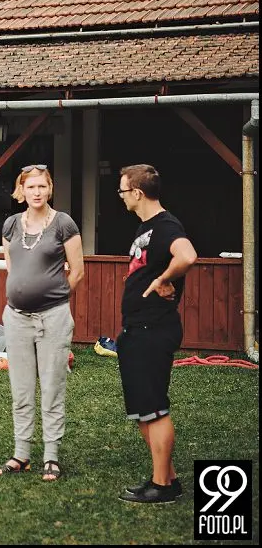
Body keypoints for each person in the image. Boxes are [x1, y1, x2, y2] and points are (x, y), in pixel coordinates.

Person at [0, 165, 84, 481]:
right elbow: (12, 266)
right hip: (16, 318)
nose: (37, 192)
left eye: (42, 187)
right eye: (31, 187)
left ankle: (51, 456)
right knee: (21, 389)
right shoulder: (10, 225)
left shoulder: (63, 223)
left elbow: (78, 271)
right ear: (21, 190)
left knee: (51, 387)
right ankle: (21, 454)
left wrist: (53, 298)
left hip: (53, 318)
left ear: (50, 189)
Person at [115, 164, 197, 504]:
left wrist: (163, 279)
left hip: (153, 328)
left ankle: (161, 487)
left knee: (155, 408)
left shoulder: (165, 225)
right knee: (143, 411)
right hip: (137, 329)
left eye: (123, 190)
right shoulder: (145, 228)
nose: (120, 196)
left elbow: (187, 256)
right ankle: (167, 478)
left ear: (137, 192)